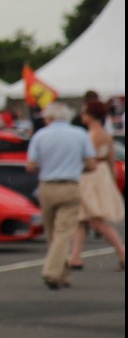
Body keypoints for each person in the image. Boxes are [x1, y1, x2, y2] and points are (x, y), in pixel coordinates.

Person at [24, 103, 94, 289]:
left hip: (47, 187)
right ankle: (58, 273)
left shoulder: (40, 136)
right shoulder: (80, 134)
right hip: (70, 186)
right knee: (64, 232)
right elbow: (91, 164)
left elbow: (30, 166)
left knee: (51, 233)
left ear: (50, 118)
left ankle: (54, 272)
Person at [65, 100, 126, 272]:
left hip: (91, 176)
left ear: (91, 116)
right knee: (81, 218)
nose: (82, 116)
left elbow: (87, 158)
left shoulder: (93, 135)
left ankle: (122, 251)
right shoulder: (105, 134)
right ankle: (75, 256)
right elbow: (111, 160)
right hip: (100, 174)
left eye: (85, 113)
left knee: (95, 219)